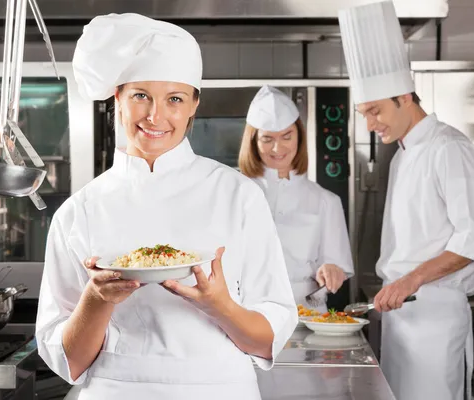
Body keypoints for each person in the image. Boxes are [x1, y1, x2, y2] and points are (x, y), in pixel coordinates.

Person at [35, 13, 297, 400]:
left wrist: (219, 304)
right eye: (141, 95)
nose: (155, 116)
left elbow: (265, 342)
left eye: (174, 99)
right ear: (117, 98)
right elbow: (70, 364)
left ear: (193, 105)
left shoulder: (238, 195)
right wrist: (96, 299)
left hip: (220, 389)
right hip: (116, 390)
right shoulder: (79, 211)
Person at [338, 2, 474, 400]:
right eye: (364, 114)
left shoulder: (448, 148)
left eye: (374, 111)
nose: (371, 124)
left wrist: (411, 278)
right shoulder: (404, 153)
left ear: (405, 97)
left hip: (434, 318)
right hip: (400, 316)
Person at [238, 85, 354, 313]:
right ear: (253, 141)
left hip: (307, 310)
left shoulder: (325, 201)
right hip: (249, 309)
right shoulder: (236, 193)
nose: (277, 147)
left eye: (286, 136)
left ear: (299, 136)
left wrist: (332, 270)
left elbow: (337, 265)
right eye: (267, 139)